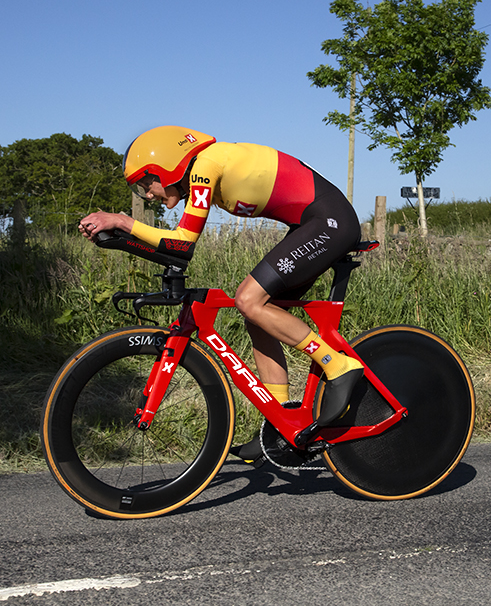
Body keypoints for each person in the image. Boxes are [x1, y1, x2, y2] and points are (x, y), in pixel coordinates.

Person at [79, 125, 363, 463]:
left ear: (166, 167)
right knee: (259, 316)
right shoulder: (205, 169)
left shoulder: (205, 166)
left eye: (146, 184)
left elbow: (182, 244)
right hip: (311, 223)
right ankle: (281, 420)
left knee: (248, 300)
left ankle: (338, 365)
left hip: (330, 222)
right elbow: (176, 247)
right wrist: (120, 238)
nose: (148, 195)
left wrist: (124, 223)